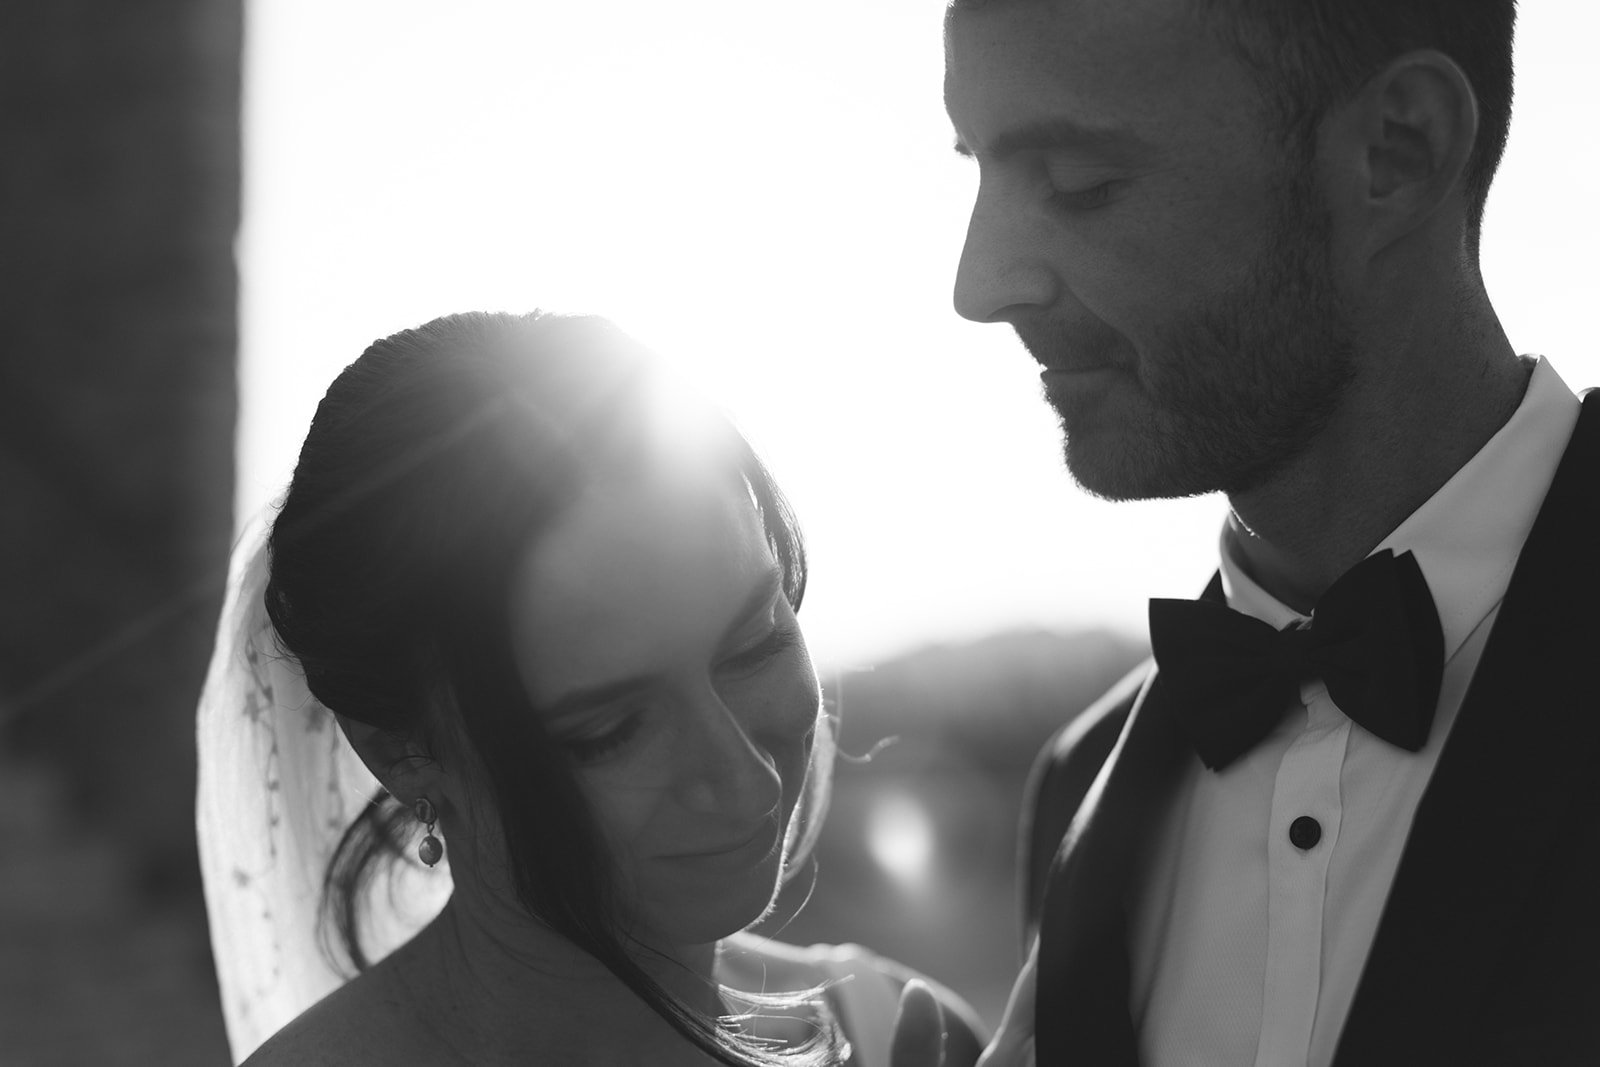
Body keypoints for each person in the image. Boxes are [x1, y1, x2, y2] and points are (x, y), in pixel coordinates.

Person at [936, 0, 1599, 1064]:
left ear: (1399, 148)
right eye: (976, 167)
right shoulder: (1079, 785)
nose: (981, 285)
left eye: (1076, 184)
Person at [195, 311, 986, 1066]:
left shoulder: (912, 1042)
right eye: (609, 729)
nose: (747, 776)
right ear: (401, 750)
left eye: (755, 645)